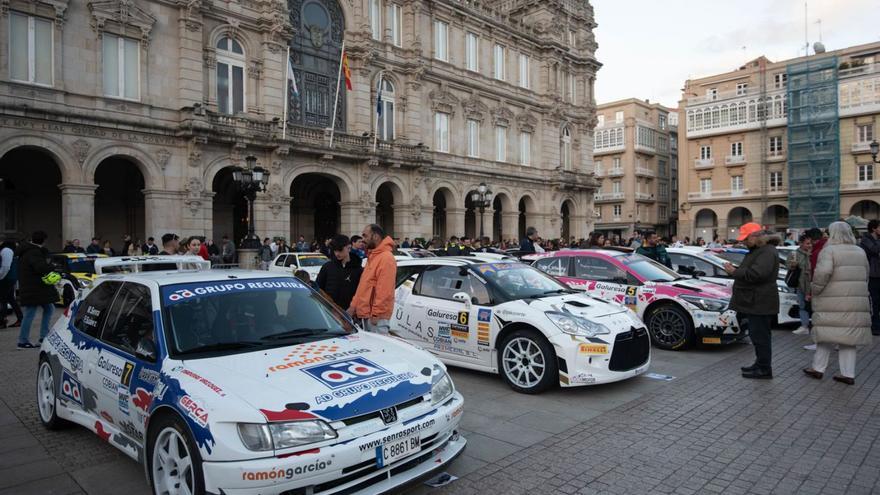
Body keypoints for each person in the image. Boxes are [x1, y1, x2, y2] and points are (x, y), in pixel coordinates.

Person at [803, 221, 873, 385]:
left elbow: (822, 274)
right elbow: (866, 274)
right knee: (849, 338)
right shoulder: (859, 251)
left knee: (825, 335)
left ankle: (818, 368)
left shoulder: (829, 251)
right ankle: (848, 373)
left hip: (832, 300)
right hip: (855, 301)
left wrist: (815, 290)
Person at [723, 223, 779, 379]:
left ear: (756, 237)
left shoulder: (766, 252)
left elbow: (757, 274)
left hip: (760, 301)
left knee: (760, 337)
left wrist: (735, 271)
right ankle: (760, 364)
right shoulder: (759, 250)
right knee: (757, 336)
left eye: (746, 239)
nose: (743, 242)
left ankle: (764, 369)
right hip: (756, 300)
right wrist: (736, 271)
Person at [15, 231, 60, 349]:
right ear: (44, 240)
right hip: (35, 287)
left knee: (47, 308)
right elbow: (40, 268)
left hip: (32, 286)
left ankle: (41, 337)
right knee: (32, 312)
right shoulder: (34, 252)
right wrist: (53, 266)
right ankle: (23, 340)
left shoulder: (26, 251)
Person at [348, 224, 396, 335]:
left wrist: (376, 314)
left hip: (375, 319)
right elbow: (363, 286)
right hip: (367, 316)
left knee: (379, 350)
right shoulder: (373, 256)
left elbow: (384, 291)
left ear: (375, 236)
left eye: (365, 236)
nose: (363, 239)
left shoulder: (386, 258)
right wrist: (353, 307)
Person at [316, 235, 363, 310]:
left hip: (350, 313)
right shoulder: (327, 267)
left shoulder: (358, 270)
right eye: (335, 250)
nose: (337, 253)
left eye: (340, 250)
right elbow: (318, 289)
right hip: (329, 312)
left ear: (349, 247)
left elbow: (361, 293)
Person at [788, 234, 813, 335]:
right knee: (802, 306)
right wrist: (792, 265)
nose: (809, 245)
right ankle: (804, 326)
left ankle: (816, 328)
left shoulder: (814, 253)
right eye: (807, 243)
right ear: (801, 243)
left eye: (810, 243)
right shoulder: (795, 253)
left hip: (813, 284)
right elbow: (789, 266)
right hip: (801, 284)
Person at [859, 219, 880, 336]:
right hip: (871, 275)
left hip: (878, 274)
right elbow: (874, 249)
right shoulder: (866, 239)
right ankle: (874, 326)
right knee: (874, 301)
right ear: (874, 229)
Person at [0, 240, 22, 328]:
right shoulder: (8, 250)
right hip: (9, 278)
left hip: (6, 278)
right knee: (10, 299)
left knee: (3, 299)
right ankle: (20, 318)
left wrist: (0, 276)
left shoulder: (6, 250)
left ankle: (2, 321)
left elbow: (6, 267)